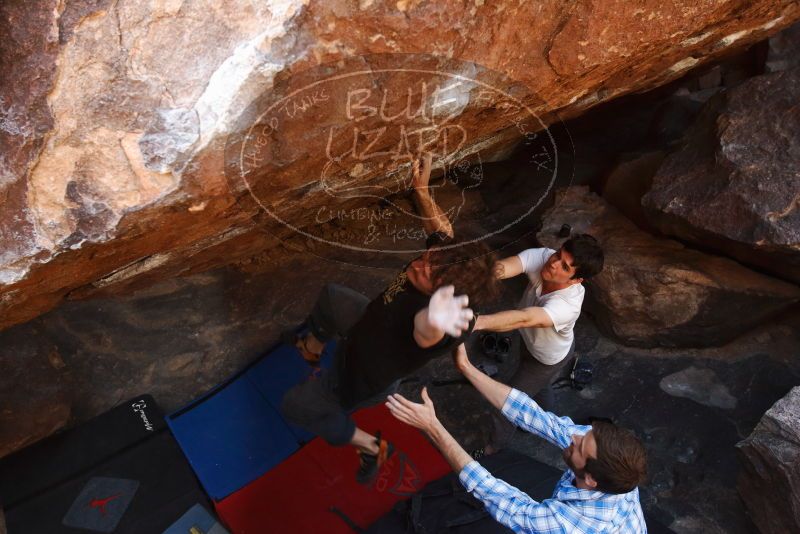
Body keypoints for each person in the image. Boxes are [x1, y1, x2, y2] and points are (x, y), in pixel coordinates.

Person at [281, 154, 500, 483]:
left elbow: (425, 332)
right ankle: (311, 347)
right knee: (332, 297)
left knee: (297, 405)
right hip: (365, 324)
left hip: (364, 371)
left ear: (446, 293)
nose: (418, 264)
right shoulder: (446, 263)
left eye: (428, 271)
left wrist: (434, 319)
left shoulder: (442, 321)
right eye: (428, 258)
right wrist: (422, 191)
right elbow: (442, 232)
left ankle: (371, 446)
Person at [386, 344, 647, 533]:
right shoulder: (616, 470)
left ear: (591, 479)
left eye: (580, 445)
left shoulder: (565, 525)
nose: (575, 437)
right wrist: (467, 368)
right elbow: (531, 415)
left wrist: (432, 426)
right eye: (585, 434)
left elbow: (492, 491)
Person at [475, 234, 604, 452]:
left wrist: (473, 323)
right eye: (558, 254)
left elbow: (525, 318)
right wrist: (476, 277)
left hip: (546, 359)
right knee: (540, 387)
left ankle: (491, 451)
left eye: (564, 266)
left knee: (505, 404)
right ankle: (545, 419)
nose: (553, 263)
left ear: (575, 280)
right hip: (529, 341)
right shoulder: (544, 258)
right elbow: (503, 268)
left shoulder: (567, 305)